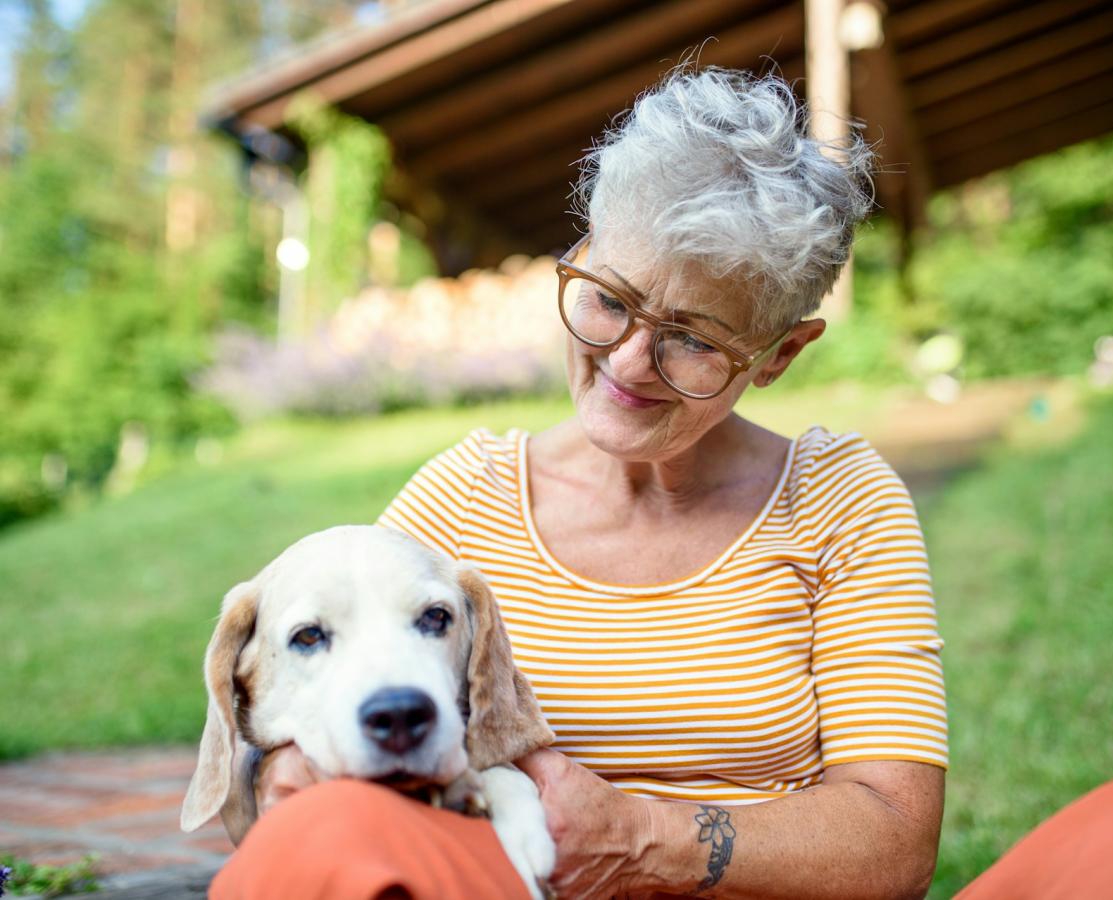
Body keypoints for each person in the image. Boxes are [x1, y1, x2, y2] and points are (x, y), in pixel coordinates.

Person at [213, 65, 947, 899]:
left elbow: (896, 845)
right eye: (609, 300)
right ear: (579, 255)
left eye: (695, 341)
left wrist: (643, 839)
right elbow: (313, 678)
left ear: (780, 353)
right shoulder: (462, 500)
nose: (629, 363)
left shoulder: (839, 500)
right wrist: (281, 775)